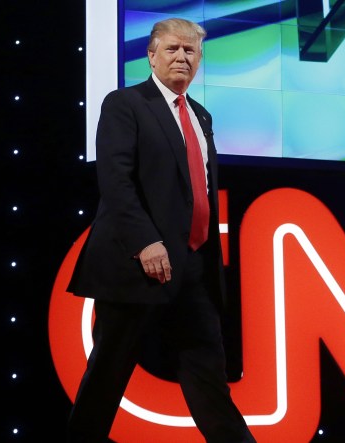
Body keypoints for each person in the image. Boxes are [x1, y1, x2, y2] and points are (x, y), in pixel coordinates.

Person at [66, 17, 256, 442]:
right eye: (172, 49)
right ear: (151, 55)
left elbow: (198, 188)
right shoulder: (125, 104)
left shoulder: (201, 115)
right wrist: (146, 242)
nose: (182, 57)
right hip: (138, 265)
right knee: (108, 374)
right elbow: (116, 181)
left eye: (191, 51)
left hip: (193, 269)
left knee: (208, 375)